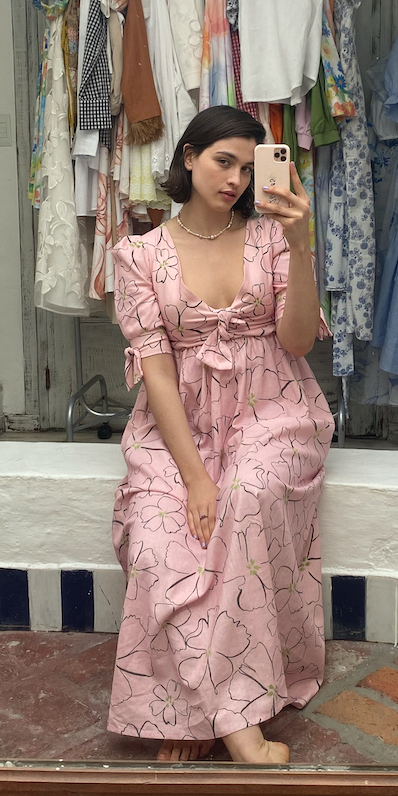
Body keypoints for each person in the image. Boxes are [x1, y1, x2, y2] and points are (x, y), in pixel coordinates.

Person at [106, 106, 334, 762]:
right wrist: (195, 477)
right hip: (177, 428)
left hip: (274, 412)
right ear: (188, 157)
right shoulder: (139, 255)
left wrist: (300, 245)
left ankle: (206, 720)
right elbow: (156, 374)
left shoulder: (270, 239)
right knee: (158, 539)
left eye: (246, 167)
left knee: (247, 500)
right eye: (222, 161)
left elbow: (297, 343)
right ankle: (226, 721)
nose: (235, 179)